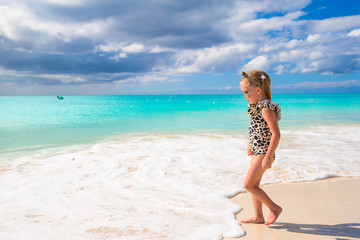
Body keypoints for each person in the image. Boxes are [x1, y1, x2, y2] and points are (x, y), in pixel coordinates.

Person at [239, 70, 282, 226]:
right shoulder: (256, 107)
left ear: (258, 90)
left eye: (246, 92)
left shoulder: (266, 109)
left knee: (248, 185)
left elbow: (276, 134)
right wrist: (249, 144)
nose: (245, 96)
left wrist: (268, 156)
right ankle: (258, 216)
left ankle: (274, 208)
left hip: (264, 152)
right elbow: (255, 128)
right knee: (255, 186)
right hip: (257, 151)